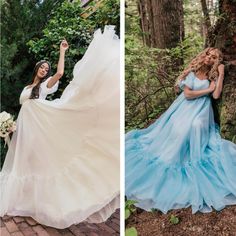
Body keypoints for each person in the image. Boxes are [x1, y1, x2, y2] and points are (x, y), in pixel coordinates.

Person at [0, 26, 120, 229]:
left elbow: (61, 72)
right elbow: (24, 107)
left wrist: (62, 51)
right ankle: (26, 198)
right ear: (36, 68)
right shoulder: (27, 88)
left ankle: (44, 203)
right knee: (26, 160)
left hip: (40, 126)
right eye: (42, 68)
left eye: (46, 69)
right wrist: (9, 126)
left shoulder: (45, 86)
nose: (44, 70)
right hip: (24, 128)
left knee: (41, 160)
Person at [125, 47, 236, 214]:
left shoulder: (213, 75)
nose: (209, 58)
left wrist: (220, 75)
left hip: (202, 109)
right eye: (208, 54)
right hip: (185, 108)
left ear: (216, 61)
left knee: (196, 125)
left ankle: (194, 155)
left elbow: (216, 96)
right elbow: (188, 95)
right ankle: (174, 157)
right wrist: (207, 90)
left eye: (214, 57)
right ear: (203, 55)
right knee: (180, 128)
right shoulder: (193, 71)